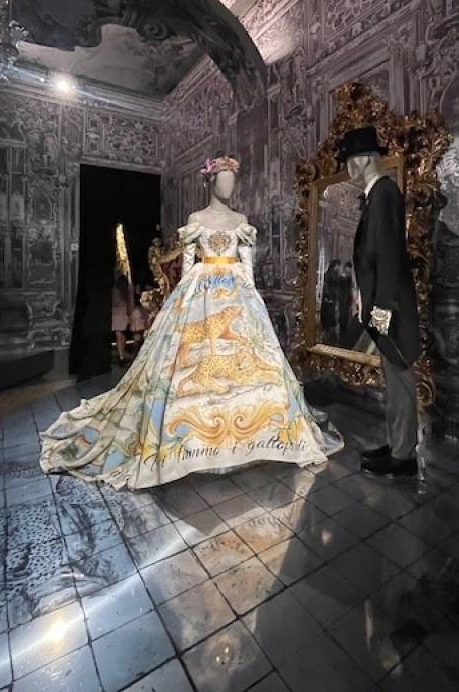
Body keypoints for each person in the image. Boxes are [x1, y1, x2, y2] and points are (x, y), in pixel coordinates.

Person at [40, 154, 341, 489]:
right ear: (211, 182)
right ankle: (192, 437)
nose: (229, 187)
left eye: (232, 181)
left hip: (236, 293)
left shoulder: (241, 221)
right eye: (223, 180)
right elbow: (186, 268)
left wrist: (251, 299)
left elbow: (247, 267)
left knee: (253, 358)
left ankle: (256, 434)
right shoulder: (196, 220)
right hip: (201, 290)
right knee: (191, 358)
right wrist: (181, 305)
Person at [336, 126, 421, 478]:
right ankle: (397, 443)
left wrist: (383, 306)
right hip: (384, 304)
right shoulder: (377, 195)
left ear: (365, 160)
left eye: (350, 159)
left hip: (391, 306)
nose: (347, 167)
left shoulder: (384, 193)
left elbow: (389, 254)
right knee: (393, 377)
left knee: (400, 378)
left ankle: (404, 456)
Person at [111, 274, 132, 365]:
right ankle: (122, 353)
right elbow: (129, 304)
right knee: (122, 335)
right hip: (124, 313)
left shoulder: (114, 290)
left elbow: (113, 302)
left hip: (116, 314)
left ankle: (121, 356)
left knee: (118, 335)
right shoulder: (126, 291)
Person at [320, 259, 341, 344]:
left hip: (326, 300)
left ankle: (326, 339)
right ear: (335, 266)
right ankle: (331, 341)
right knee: (331, 322)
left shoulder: (327, 274)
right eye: (338, 266)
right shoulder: (333, 274)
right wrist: (332, 298)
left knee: (327, 322)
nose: (339, 268)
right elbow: (332, 288)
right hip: (330, 301)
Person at [129, 289, 148, 354]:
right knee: (138, 340)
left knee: (138, 340)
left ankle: (138, 353)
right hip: (138, 326)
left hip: (139, 326)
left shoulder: (141, 309)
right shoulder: (138, 309)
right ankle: (137, 353)